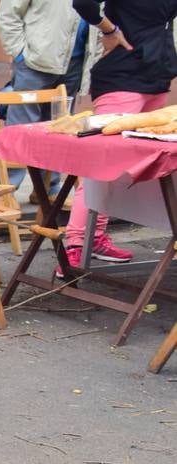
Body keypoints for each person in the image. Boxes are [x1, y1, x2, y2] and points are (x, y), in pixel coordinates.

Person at [62, 0, 177, 273]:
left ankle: (95, 237)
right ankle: (77, 243)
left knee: (134, 166)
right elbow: (83, 3)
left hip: (157, 76)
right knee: (102, 165)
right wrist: (109, 30)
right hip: (122, 77)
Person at [0, 0, 95, 189]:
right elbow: (7, 13)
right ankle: (8, 188)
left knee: (60, 126)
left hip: (76, 63)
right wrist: (19, 53)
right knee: (21, 125)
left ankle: (49, 187)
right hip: (34, 61)